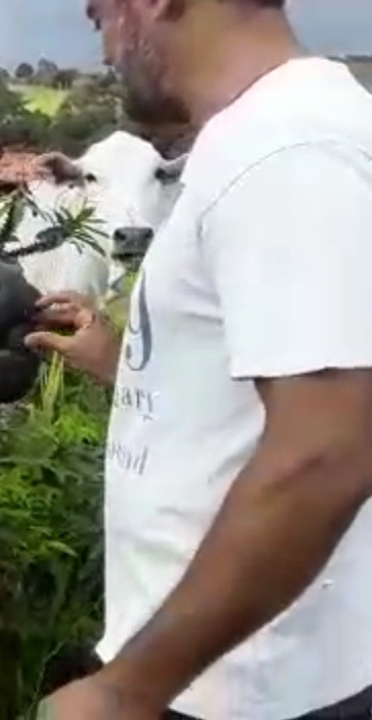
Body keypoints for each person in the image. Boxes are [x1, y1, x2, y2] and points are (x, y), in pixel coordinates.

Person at [27, 0, 372, 718]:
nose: (97, 31)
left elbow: (331, 449)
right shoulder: (261, 139)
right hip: (233, 667)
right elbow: (267, 384)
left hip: (252, 687)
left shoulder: (286, 150)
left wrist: (129, 690)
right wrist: (123, 360)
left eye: (102, 11)